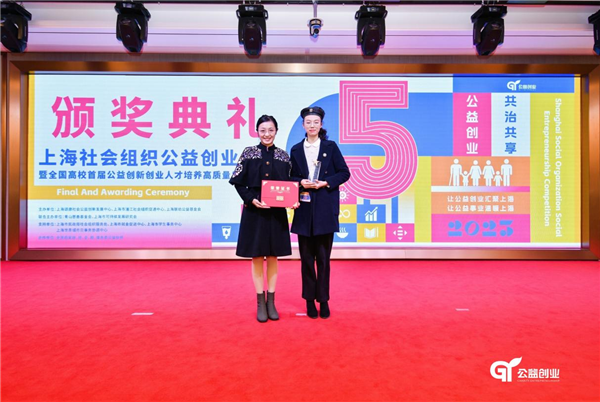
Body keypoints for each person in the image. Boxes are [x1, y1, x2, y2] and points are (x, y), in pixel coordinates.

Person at [229, 115, 293, 323]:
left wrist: (293, 200)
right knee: (257, 256)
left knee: (273, 256)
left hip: (276, 212)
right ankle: (260, 302)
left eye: (271, 130)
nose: (267, 134)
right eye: (263, 130)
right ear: (257, 132)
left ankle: (271, 301)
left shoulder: (283, 156)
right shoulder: (248, 153)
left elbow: (290, 184)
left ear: (276, 131)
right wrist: (251, 199)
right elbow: (238, 182)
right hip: (254, 211)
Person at [290, 106, 350, 319]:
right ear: (303, 125)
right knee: (306, 259)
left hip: (325, 208)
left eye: (316, 122)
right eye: (308, 122)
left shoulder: (330, 147)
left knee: (323, 259)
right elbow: (290, 177)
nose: (312, 125)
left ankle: (323, 300)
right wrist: (300, 182)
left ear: (321, 124)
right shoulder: (296, 149)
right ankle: (309, 300)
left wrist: (325, 182)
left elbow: (344, 173)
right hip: (304, 210)